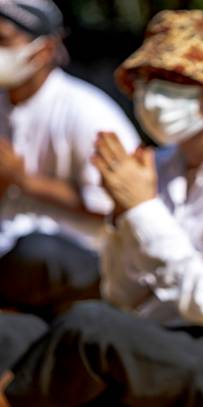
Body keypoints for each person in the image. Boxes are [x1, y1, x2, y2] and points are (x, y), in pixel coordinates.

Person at [1, 9, 203, 406]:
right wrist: (123, 216)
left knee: (90, 328)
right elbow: (122, 295)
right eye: (148, 79)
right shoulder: (160, 164)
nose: (155, 93)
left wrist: (143, 209)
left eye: (178, 80)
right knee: (13, 334)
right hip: (157, 337)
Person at [0, 0, 139, 318]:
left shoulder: (87, 112)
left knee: (36, 252)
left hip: (80, 259)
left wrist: (24, 182)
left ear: (45, 50)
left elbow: (113, 208)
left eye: (3, 41)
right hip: (11, 255)